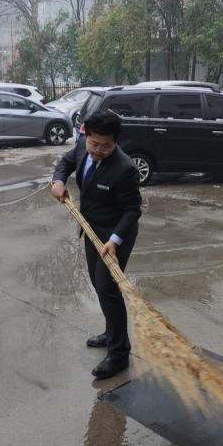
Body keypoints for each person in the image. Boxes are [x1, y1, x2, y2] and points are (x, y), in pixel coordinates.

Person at [51, 111, 142, 379]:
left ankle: (119, 354)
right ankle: (111, 332)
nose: (99, 150)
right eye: (94, 144)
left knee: (108, 289)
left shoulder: (125, 169)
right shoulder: (81, 146)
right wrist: (58, 181)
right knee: (97, 283)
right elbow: (64, 163)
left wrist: (114, 241)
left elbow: (132, 210)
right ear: (86, 135)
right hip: (90, 229)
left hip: (115, 237)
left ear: (116, 142)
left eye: (106, 146)